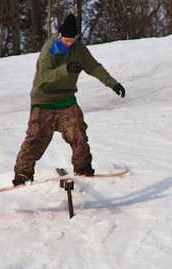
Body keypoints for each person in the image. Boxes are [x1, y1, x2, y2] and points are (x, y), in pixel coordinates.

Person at [12, 13, 125, 185]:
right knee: (35, 138)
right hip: (43, 100)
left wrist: (113, 84)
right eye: (66, 41)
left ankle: (83, 167)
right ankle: (23, 174)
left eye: (72, 41)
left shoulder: (79, 49)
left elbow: (93, 67)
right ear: (60, 36)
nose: (69, 44)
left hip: (66, 99)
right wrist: (67, 69)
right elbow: (45, 76)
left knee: (78, 132)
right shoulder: (49, 49)